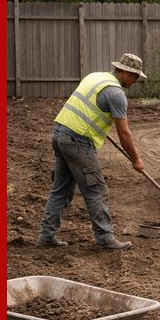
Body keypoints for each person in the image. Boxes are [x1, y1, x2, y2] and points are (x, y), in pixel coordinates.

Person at [37, 53, 147, 250]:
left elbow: (88, 107)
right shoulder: (116, 94)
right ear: (126, 73)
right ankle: (105, 238)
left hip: (60, 134)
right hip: (77, 141)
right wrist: (136, 159)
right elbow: (124, 133)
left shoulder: (95, 77)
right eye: (136, 76)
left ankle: (46, 236)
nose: (136, 81)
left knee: (61, 190)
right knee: (96, 189)